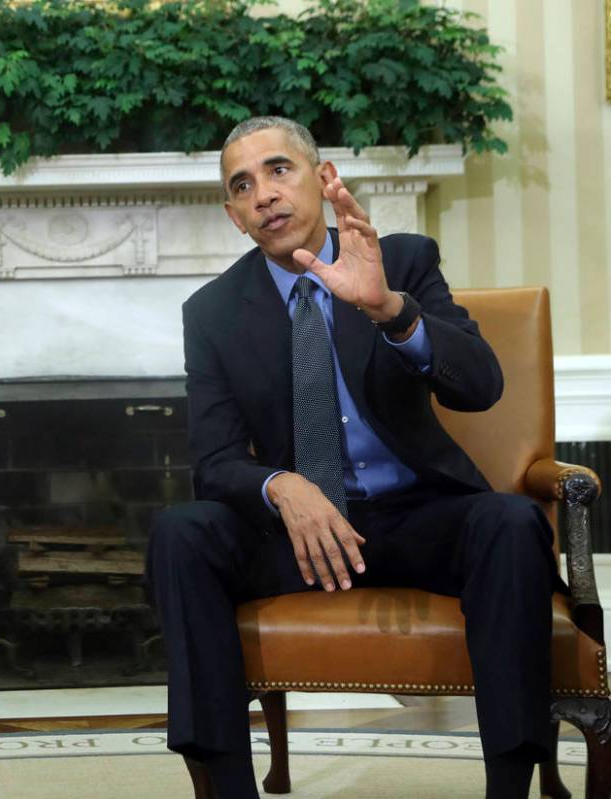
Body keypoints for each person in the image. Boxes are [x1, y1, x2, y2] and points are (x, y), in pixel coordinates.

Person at [145, 116, 557, 799]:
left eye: (280, 170)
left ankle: (509, 787)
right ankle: (228, 788)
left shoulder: (402, 259)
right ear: (234, 216)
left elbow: (482, 384)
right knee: (180, 534)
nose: (265, 195)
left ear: (321, 175)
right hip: (301, 536)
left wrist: (392, 309)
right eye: (243, 186)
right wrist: (282, 486)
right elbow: (214, 461)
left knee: (510, 523)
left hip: (417, 517)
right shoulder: (212, 312)